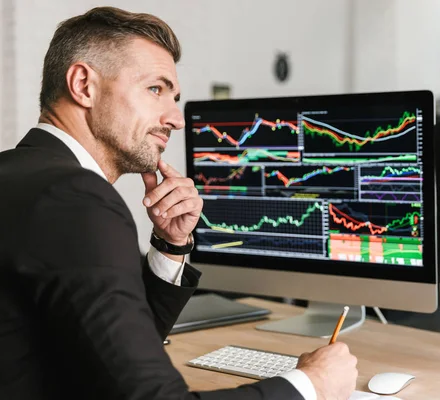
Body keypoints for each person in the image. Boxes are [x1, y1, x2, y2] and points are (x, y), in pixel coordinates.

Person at [0, 6, 358, 400]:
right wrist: (310, 385)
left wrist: (169, 246)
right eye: (156, 88)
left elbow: (115, 359)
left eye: (175, 97)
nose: (176, 118)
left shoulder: (18, 174)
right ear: (84, 85)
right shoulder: (76, 199)